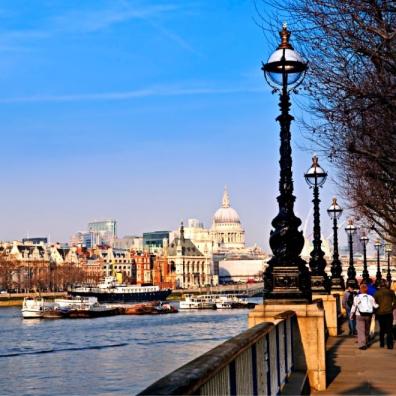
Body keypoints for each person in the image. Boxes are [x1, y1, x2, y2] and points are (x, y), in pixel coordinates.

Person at [350, 283, 378, 350]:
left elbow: (354, 307)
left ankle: (362, 344)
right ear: (366, 290)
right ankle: (366, 341)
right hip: (368, 315)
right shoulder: (370, 297)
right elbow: (375, 306)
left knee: (360, 330)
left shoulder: (357, 297)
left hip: (359, 314)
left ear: (360, 289)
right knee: (367, 329)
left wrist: (351, 315)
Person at [374, 279, 396, 349]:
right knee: (389, 329)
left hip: (380, 313)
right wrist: (391, 308)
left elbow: (374, 303)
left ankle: (382, 343)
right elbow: (395, 302)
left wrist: (376, 310)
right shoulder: (391, 292)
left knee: (382, 329)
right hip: (389, 313)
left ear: (380, 285)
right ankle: (390, 345)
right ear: (386, 284)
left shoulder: (377, 293)